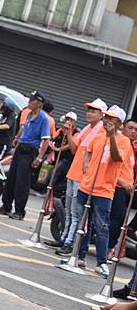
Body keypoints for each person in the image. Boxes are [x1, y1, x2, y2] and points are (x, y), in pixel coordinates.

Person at [70, 106, 133, 278]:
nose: (107, 121)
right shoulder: (97, 136)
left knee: (102, 227)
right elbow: (88, 152)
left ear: (119, 122)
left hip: (104, 190)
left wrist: (112, 136)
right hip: (86, 187)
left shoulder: (123, 141)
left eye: (111, 118)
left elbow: (116, 157)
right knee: (83, 224)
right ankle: (79, 257)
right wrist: (85, 164)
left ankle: (101, 263)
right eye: (106, 117)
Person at [55, 99, 107, 255]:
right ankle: (64, 239)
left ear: (101, 115)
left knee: (77, 214)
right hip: (73, 173)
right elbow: (73, 149)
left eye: (93, 111)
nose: (89, 113)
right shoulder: (86, 129)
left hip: (83, 178)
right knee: (69, 211)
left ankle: (70, 243)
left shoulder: (101, 132)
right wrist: (69, 132)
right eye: (89, 110)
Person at [0, 90, 51, 220]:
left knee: (22, 182)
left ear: (39, 103)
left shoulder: (43, 119)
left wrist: (39, 158)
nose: (29, 102)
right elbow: (24, 127)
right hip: (21, 148)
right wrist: (17, 138)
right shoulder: (30, 114)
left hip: (30, 151)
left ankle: (20, 211)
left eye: (32, 100)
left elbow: (46, 139)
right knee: (11, 178)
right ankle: (6, 206)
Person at [107, 118, 137, 258]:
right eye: (130, 128)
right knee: (117, 218)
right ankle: (108, 247)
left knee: (120, 219)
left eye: (136, 130)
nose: (133, 132)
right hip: (117, 186)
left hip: (126, 190)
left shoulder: (131, 146)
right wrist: (123, 183)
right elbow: (111, 167)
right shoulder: (119, 142)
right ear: (123, 127)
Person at [50, 112, 78, 198]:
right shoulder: (61, 130)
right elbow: (54, 136)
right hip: (56, 155)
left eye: (71, 120)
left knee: (57, 171)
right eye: (67, 119)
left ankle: (51, 189)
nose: (68, 121)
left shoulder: (76, 132)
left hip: (67, 158)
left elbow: (71, 145)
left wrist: (59, 149)